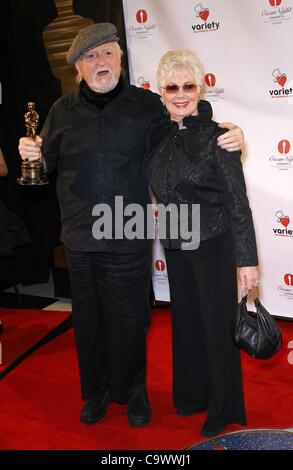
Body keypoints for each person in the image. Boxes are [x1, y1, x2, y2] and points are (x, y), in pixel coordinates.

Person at [18, 23, 244, 428]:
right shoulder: (59, 111)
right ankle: (98, 391)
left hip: (129, 231)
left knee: (130, 319)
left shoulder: (145, 105)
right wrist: (30, 150)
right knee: (88, 321)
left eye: (107, 53)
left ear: (120, 59)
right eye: (90, 57)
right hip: (80, 235)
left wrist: (228, 130)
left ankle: (135, 391)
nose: (100, 62)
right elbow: (45, 164)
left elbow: (185, 116)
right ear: (78, 69)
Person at [147, 49, 259, 437]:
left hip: (213, 242)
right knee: (187, 324)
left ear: (202, 86)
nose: (180, 94)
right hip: (176, 244)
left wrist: (247, 261)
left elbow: (237, 202)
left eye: (188, 85)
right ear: (160, 91)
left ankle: (223, 406)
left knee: (216, 328)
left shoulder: (219, 138)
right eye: (171, 86)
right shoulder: (157, 133)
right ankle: (193, 395)